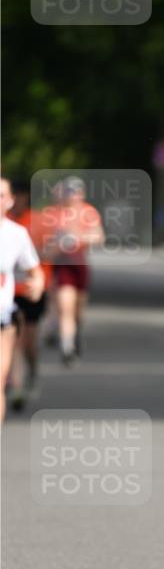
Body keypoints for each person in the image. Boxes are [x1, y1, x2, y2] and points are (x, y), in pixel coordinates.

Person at [41, 176, 104, 365]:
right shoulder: (54, 213)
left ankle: (75, 334)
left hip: (81, 266)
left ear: (82, 194)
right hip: (62, 266)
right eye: (69, 191)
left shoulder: (88, 212)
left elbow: (99, 237)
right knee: (64, 306)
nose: (73, 195)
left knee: (78, 310)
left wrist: (79, 237)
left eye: (76, 192)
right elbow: (44, 248)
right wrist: (57, 245)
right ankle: (67, 348)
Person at [0, 178, 44, 422]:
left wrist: (36, 284)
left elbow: (34, 270)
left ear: (9, 201)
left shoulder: (16, 234)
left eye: (0, 195)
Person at [8, 180, 50, 408]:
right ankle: (16, 388)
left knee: (29, 344)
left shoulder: (38, 221)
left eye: (22, 196)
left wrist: (29, 254)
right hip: (9, 293)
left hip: (32, 290)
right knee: (14, 340)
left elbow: (49, 252)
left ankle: (32, 372)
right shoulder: (5, 224)